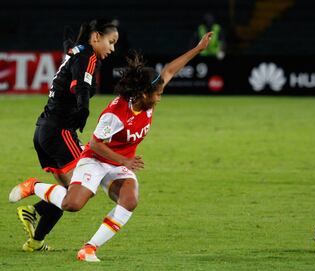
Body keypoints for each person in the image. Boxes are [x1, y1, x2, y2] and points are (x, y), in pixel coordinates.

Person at [9, 31, 213, 262]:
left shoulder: (147, 98)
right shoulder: (115, 115)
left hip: (117, 164)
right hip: (96, 160)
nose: (159, 99)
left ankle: (89, 248)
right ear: (142, 94)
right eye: (156, 95)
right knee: (72, 204)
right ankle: (33, 186)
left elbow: (168, 70)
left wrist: (198, 49)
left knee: (130, 200)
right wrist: (124, 160)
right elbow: (95, 144)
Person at [14, 19, 119, 252]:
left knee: (68, 196)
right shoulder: (88, 56)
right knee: (82, 190)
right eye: (110, 42)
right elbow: (81, 84)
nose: (112, 48)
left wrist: (68, 43)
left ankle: (36, 241)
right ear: (96, 38)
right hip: (61, 132)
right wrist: (84, 108)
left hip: (44, 130)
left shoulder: (76, 52)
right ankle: (33, 200)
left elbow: (73, 72)